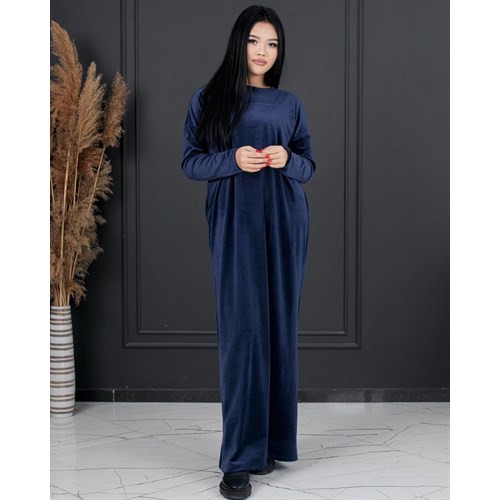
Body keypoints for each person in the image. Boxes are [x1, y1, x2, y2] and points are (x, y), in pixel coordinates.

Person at [181, 5, 316, 499]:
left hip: (285, 221)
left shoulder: (289, 103)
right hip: (234, 222)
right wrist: (233, 159)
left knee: (278, 331)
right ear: (239, 43)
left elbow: (309, 166)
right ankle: (238, 459)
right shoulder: (209, 99)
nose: (263, 52)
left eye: (272, 44)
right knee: (243, 336)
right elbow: (191, 163)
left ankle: (270, 446)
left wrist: (287, 158)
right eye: (255, 41)